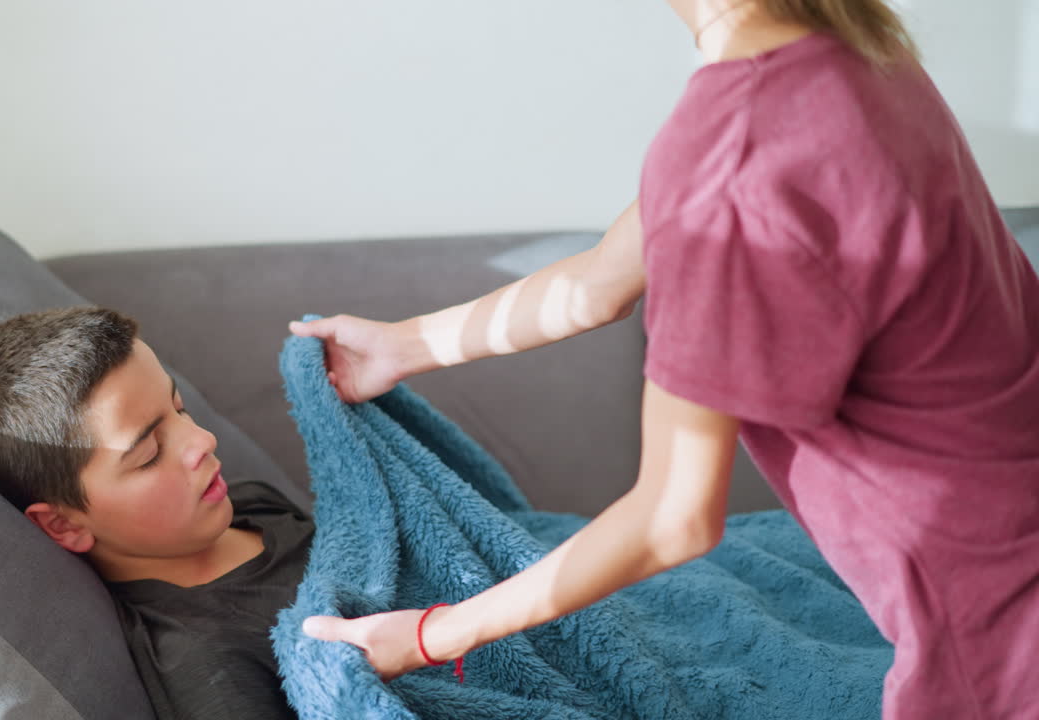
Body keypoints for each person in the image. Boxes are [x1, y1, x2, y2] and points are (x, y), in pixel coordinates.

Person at [290, 1, 1039, 717]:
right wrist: (403, 346)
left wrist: (431, 634)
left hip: (997, 637)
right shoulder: (856, 54)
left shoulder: (737, 152)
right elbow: (600, 281)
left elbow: (672, 519)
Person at [0, 307, 312, 720]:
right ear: (65, 524)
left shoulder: (246, 503)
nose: (203, 439)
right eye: (149, 453)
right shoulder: (212, 667)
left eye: (178, 408)